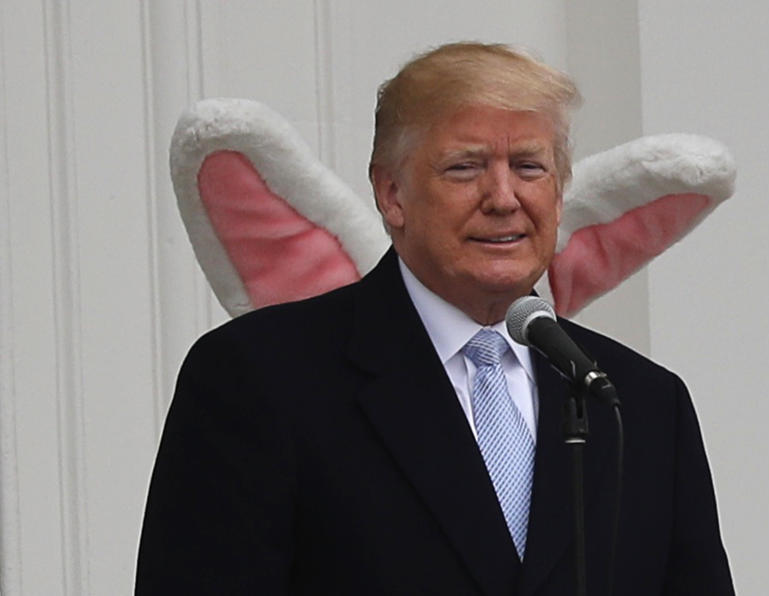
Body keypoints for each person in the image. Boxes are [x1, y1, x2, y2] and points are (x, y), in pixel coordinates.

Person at [136, 42, 734, 595]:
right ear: (392, 194)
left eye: (529, 167)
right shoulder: (259, 378)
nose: (504, 197)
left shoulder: (639, 402)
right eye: (465, 168)